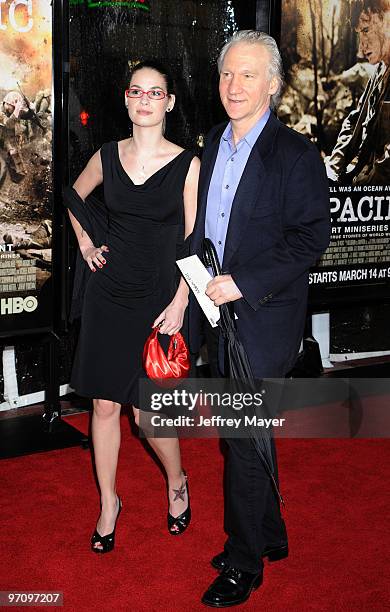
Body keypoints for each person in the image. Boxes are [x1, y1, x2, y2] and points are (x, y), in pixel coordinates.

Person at [189, 31, 330, 607]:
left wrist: (243, 282)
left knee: (243, 439)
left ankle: (244, 563)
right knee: (239, 435)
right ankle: (268, 535)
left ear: (272, 85)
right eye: (227, 74)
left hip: (264, 317)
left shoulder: (293, 153)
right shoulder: (210, 143)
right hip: (215, 312)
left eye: (248, 75)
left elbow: (310, 239)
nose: (234, 86)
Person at [65, 60, 200, 552]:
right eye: (136, 91)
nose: (145, 100)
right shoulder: (106, 155)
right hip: (109, 293)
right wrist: (85, 243)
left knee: (146, 415)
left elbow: (194, 238)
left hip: (160, 295)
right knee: (102, 405)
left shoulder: (189, 164)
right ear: (126, 99)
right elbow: (73, 194)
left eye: (155, 92)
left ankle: (178, 480)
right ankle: (108, 503)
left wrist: (183, 300)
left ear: (169, 102)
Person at [325, 0, 390, 184]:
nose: (361, 49)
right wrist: (334, 166)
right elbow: (355, 120)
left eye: (366, 30)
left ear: (386, 20)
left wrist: (361, 187)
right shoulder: (379, 71)